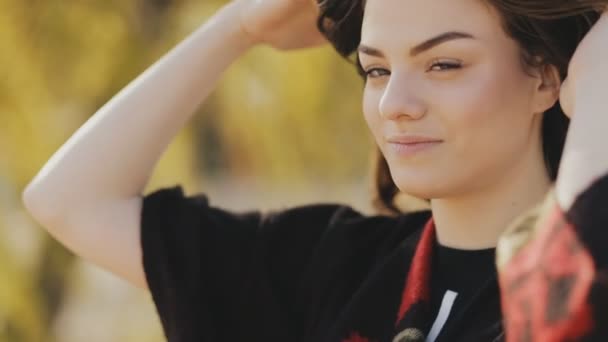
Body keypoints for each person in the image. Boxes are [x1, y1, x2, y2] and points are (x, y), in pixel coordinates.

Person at [21, 0, 608, 340]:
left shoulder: (579, 277)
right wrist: (238, 28)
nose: (394, 103)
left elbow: (564, 306)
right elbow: (70, 200)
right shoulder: (331, 267)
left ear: (546, 78)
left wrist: (598, 94)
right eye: (376, 70)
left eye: (444, 64)